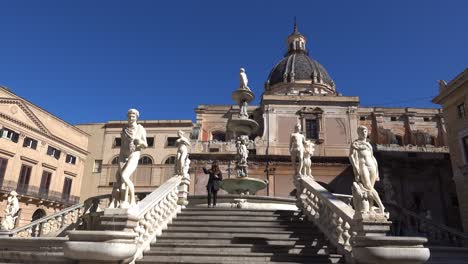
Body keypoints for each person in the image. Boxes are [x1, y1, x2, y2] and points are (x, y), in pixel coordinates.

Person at [109, 108, 147, 208]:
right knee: (119, 180)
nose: (131, 118)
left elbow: (145, 144)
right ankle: (118, 201)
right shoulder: (124, 129)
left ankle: (132, 200)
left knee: (125, 176)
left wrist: (140, 142)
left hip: (133, 155)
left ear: (136, 117)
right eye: (129, 116)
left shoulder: (140, 129)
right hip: (122, 155)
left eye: (133, 116)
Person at [349, 125, 385, 216]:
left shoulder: (369, 144)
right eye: (362, 131)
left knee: (370, 189)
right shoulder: (355, 144)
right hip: (363, 165)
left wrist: (376, 170)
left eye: (365, 131)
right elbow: (351, 156)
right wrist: (356, 168)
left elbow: (372, 157)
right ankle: (381, 205)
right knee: (368, 186)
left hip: (372, 165)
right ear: (359, 133)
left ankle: (370, 208)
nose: (364, 133)